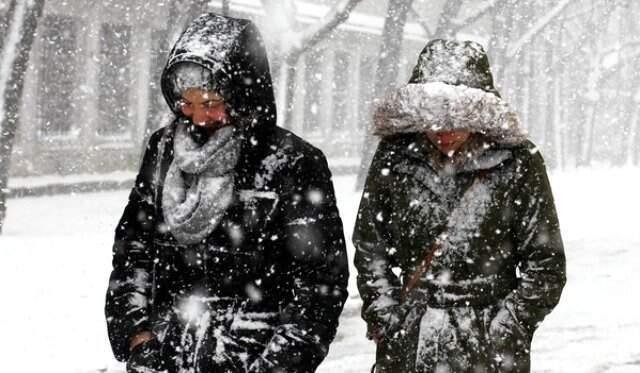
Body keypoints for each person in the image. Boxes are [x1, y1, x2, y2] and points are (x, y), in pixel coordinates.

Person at [105, 13, 349, 373]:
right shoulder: (163, 151)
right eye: (186, 104)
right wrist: (138, 337)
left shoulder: (292, 162)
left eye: (210, 103)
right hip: (166, 356)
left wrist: (276, 366)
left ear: (243, 95)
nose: (198, 118)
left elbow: (319, 284)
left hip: (253, 354)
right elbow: (133, 251)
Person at [353, 39, 566, 373]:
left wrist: (507, 328)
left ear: (479, 112)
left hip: (489, 349)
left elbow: (546, 264)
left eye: (457, 116)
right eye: (433, 115)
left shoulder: (519, 162)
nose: (444, 129)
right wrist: (387, 313)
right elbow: (371, 246)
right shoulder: (394, 156)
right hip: (410, 346)